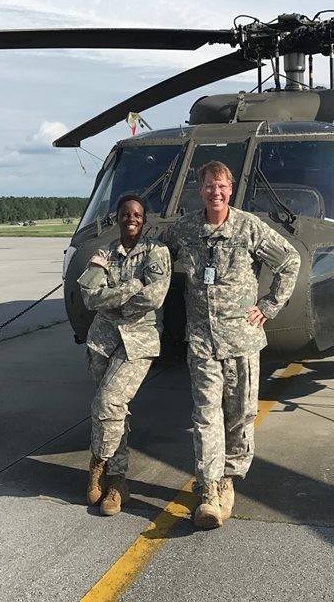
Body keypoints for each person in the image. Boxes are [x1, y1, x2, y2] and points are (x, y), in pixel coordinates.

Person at [165, 160, 301, 529]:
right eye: (209, 186)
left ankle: (230, 477)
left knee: (240, 415)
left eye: (222, 186)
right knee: (206, 415)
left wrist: (270, 306)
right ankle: (209, 488)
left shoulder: (248, 227)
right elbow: (158, 252)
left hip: (241, 339)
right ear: (200, 189)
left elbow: (290, 259)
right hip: (202, 341)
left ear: (231, 187)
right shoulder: (187, 228)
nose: (216, 192)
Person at [77, 194, 171, 516]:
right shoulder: (104, 254)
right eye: (125, 214)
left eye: (137, 215)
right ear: (118, 218)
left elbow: (154, 297)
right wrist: (132, 286)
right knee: (116, 409)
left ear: (144, 220)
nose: (131, 219)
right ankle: (119, 481)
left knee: (108, 402)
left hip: (138, 340)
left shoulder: (157, 253)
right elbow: (89, 297)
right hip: (102, 342)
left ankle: (101, 467)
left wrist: (112, 299)